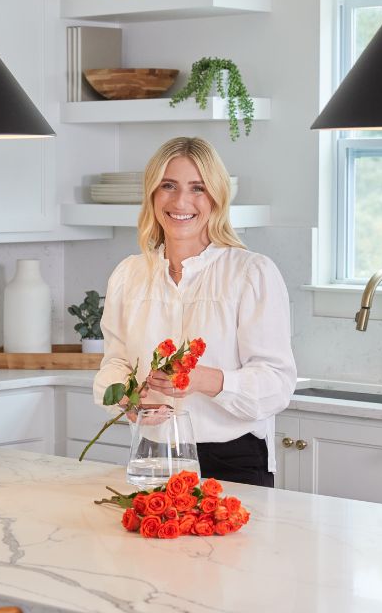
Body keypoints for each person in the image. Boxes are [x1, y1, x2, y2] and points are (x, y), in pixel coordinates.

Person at [92, 137, 297, 487]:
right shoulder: (129, 275)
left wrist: (204, 380)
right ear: (152, 195)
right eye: (168, 186)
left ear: (216, 198)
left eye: (197, 188)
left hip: (235, 459)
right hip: (153, 455)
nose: (180, 201)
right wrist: (126, 397)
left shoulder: (251, 273)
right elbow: (115, 362)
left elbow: (277, 384)